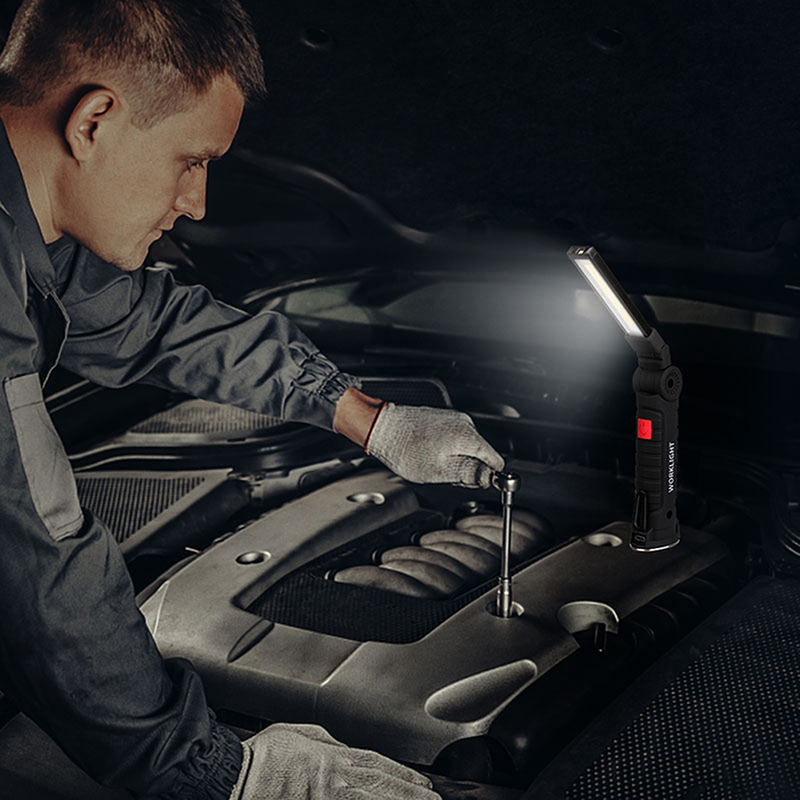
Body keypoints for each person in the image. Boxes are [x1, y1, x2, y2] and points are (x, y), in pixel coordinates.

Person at [0, 1, 505, 798]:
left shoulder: (32, 233)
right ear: (94, 121)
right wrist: (221, 775)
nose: (196, 203)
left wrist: (373, 420)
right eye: (191, 161)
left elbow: (153, 322)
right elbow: (35, 547)